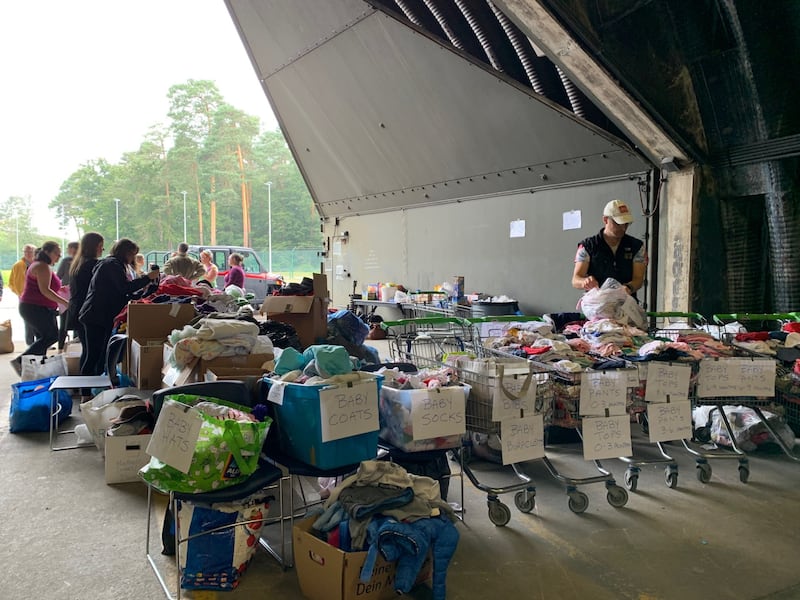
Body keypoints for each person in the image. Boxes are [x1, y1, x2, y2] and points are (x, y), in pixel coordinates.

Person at [79, 238, 159, 376]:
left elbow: (120, 291)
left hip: (99, 314)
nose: (133, 258)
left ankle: (95, 383)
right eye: (132, 254)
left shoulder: (112, 264)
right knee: (94, 355)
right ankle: (86, 387)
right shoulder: (112, 265)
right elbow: (124, 288)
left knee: (99, 354)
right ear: (125, 252)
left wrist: (143, 290)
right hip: (96, 315)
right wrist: (147, 278)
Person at [10, 242, 70, 375]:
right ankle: (21, 361)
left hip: (38, 307)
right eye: (56, 253)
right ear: (47, 252)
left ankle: (38, 367)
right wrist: (65, 302)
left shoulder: (41, 265)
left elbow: (45, 287)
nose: (59, 256)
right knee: (51, 336)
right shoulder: (42, 266)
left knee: (43, 337)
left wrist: (60, 290)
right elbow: (45, 290)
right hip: (35, 307)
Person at [572, 199, 647, 300]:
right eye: (618, 223)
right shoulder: (588, 246)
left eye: (626, 224)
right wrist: (584, 282)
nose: (623, 228)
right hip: (597, 303)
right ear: (605, 220)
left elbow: (638, 279)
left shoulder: (637, 246)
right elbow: (576, 279)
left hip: (626, 303)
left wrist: (629, 288)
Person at [69, 232, 105, 374]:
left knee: (88, 351)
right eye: (101, 246)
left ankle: (85, 382)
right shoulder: (93, 265)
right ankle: (87, 383)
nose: (102, 249)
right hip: (89, 312)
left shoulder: (78, 263)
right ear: (94, 246)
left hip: (78, 310)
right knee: (94, 353)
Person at [9, 244, 37, 345]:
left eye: (30, 251)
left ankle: (40, 341)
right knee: (28, 321)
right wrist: (19, 293)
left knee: (39, 320)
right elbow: (12, 283)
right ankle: (30, 343)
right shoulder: (18, 265)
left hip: (38, 297)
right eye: (25, 251)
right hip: (24, 297)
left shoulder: (38, 264)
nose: (28, 254)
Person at [56, 241, 79, 350]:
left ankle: (74, 347)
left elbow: (58, 276)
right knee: (64, 322)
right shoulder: (66, 261)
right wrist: (58, 287)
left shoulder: (81, 261)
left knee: (74, 323)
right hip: (66, 294)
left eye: (69, 248)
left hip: (74, 295)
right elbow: (58, 277)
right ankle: (61, 346)